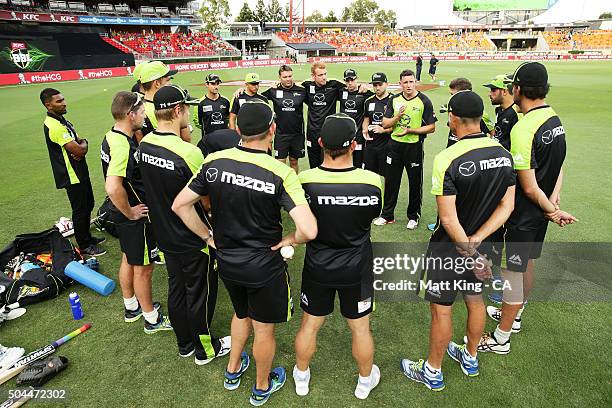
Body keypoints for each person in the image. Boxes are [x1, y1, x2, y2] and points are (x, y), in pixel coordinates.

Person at [172, 101, 317, 406]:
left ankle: (233, 369)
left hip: (226, 261)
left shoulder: (214, 161)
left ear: (237, 129)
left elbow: (180, 204)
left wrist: (206, 236)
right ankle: (262, 386)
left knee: (242, 314)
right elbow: (310, 230)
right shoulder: (280, 172)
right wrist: (291, 237)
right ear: (273, 130)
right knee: (263, 329)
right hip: (263, 266)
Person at [401, 90, 516, 391]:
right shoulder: (503, 153)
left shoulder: (447, 158)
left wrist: (467, 247)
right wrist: (478, 241)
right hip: (486, 244)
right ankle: (470, 356)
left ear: (453, 118)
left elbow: (449, 219)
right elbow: (507, 206)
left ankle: (432, 371)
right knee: (475, 299)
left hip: (450, 247)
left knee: (442, 308)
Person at [475, 62, 576, 354]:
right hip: (541, 209)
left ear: (518, 89)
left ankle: (501, 337)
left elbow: (528, 186)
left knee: (513, 273)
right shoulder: (555, 119)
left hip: (526, 212)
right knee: (527, 263)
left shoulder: (524, 128)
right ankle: (515, 316)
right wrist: (553, 200)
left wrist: (551, 210)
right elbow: (559, 166)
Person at [138, 84, 231, 364]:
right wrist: (207, 235)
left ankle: (184, 344)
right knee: (200, 292)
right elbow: (204, 201)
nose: (189, 111)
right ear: (178, 110)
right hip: (191, 237)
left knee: (177, 289)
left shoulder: (144, 144)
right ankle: (205, 349)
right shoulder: (188, 153)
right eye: (187, 107)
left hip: (164, 234)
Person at [293, 114, 383, 400]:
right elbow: (373, 216)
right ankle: (364, 381)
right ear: (354, 145)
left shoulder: (303, 181)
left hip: (318, 265)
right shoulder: (373, 181)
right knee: (360, 327)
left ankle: (302, 375)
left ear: (320, 143)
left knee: (310, 324)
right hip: (356, 267)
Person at [101, 91, 171, 333]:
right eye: (141, 113)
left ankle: (132, 306)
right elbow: (112, 185)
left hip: (123, 215)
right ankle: (151, 318)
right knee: (144, 267)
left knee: (128, 258)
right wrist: (130, 212)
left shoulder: (112, 136)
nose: (144, 116)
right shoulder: (122, 145)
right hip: (135, 216)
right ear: (130, 115)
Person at [40, 88, 105, 257]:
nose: (64, 103)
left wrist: (82, 144)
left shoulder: (62, 121)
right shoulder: (54, 126)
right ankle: (84, 245)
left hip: (78, 170)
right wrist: (81, 146)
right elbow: (79, 149)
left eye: (63, 99)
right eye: (59, 101)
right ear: (48, 105)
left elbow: (80, 141)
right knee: (80, 208)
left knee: (88, 203)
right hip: (71, 174)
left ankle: (87, 237)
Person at [374, 69, 437, 229]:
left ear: (415, 82)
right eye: (405, 82)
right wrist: (397, 117)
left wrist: (410, 131)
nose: (409, 85)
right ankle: (387, 215)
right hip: (394, 146)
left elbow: (431, 127)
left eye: (411, 82)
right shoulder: (394, 100)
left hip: (414, 147)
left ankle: (413, 217)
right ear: (400, 84)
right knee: (391, 182)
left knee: (415, 183)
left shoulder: (424, 101)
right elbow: (385, 124)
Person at [261, 65, 307, 174]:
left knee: (294, 161)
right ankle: (281, 187)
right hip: (281, 134)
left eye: (290, 76)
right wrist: (243, 89)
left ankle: (294, 184)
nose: (288, 79)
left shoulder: (301, 91)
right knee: (280, 163)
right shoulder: (274, 91)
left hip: (297, 134)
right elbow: (257, 97)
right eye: (285, 77)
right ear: (279, 77)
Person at [301, 62, 346, 168]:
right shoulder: (307, 86)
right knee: (314, 163)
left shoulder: (334, 85)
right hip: (312, 132)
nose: (324, 77)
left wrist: (361, 86)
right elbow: (291, 88)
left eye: (325, 74)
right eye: (320, 75)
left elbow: (352, 88)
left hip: (329, 132)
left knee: (329, 163)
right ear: (313, 76)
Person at [338, 69, 373, 169]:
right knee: (343, 163)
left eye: (352, 80)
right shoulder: (341, 92)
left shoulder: (365, 93)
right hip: (343, 136)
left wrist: (366, 87)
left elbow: (380, 96)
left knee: (358, 164)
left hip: (358, 136)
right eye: (347, 81)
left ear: (356, 79)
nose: (350, 83)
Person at [362, 72, 393, 176]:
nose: (377, 88)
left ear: (386, 84)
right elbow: (366, 117)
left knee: (387, 176)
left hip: (387, 145)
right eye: (375, 85)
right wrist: (364, 129)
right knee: (369, 175)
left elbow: (398, 124)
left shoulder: (394, 100)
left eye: (380, 84)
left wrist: (384, 130)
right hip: (371, 145)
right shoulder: (368, 101)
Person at [483, 74, 522, 151]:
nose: (489, 94)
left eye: (493, 90)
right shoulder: (499, 110)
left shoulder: (516, 113)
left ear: (504, 91)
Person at [193, 73, 230, 141]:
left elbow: (229, 118)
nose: (216, 86)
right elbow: (198, 123)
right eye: (213, 84)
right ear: (206, 85)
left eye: (217, 84)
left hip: (224, 139)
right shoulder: (200, 103)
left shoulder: (226, 101)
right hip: (208, 140)